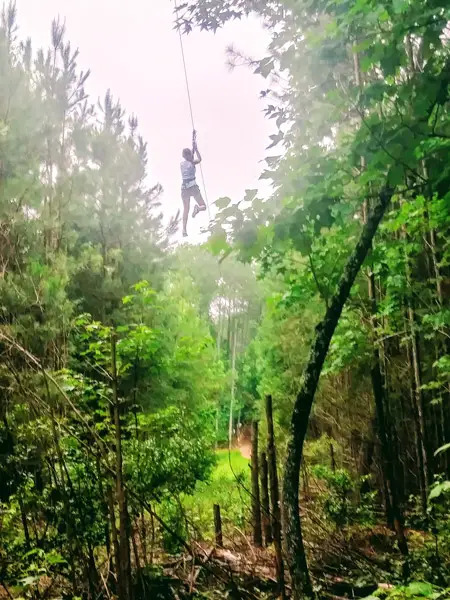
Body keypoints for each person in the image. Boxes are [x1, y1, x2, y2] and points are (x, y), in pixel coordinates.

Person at [180, 138, 206, 237]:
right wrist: (196, 149)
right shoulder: (192, 162)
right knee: (203, 206)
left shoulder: (181, 164)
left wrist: (193, 150)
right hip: (193, 187)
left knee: (186, 209)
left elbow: (190, 159)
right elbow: (199, 159)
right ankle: (198, 209)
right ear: (189, 155)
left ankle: (184, 230)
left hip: (184, 188)